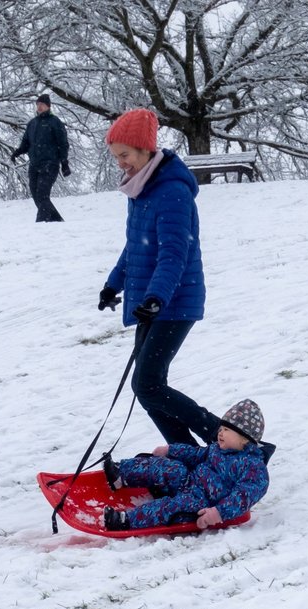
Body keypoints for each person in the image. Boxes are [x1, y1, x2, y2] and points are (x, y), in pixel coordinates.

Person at [98, 108, 221, 446]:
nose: (121, 162)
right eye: (116, 157)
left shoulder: (172, 192)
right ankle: (188, 454)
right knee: (148, 385)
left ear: (144, 149)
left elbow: (173, 253)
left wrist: (156, 298)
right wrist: (113, 284)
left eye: (125, 155)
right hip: (153, 302)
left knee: (148, 383)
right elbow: (136, 246)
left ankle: (228, 439)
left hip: (175, 300)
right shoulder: (140, 189)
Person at [102, 399, 272, 531]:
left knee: (170, 507)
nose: (220, 432)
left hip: (202, 502)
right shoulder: (218, 449)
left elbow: (242, 497)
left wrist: (218, 512)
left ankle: (125, 521)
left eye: (227, 430)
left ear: (244, 438)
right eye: (221, 428)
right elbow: (196, 454)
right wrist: (170, 450)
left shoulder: (253, 469)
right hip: (189, 481)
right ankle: (120, 474)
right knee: (172, 468)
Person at [11, 94, 70, 222]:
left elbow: (63, 144)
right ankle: (56, 220)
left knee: (42, 193)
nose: (39, 107)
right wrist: (17, 152)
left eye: (42, 104)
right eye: (37, 105)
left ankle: (41, 223)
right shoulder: (32, 123)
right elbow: (26, 143)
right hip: (34, 164)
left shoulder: (55, 122)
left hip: (50, 164)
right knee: (36, 194)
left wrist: (64, 163)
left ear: (48, 106)